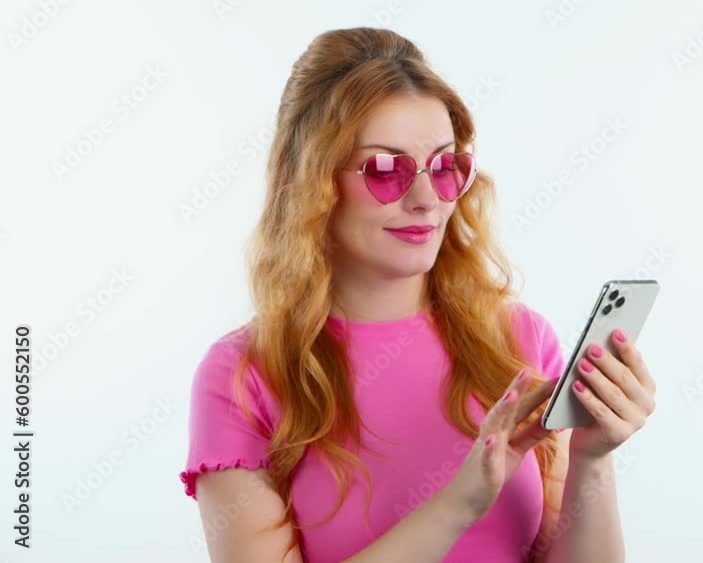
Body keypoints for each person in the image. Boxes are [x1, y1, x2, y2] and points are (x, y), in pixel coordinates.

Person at [179, 27, 657, 563]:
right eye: (386, 169)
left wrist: (594, 459)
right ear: (312, 180)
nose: (427, 199)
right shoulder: (243, 375)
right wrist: (457, 505)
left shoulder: (519, 340)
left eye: (445, 166)